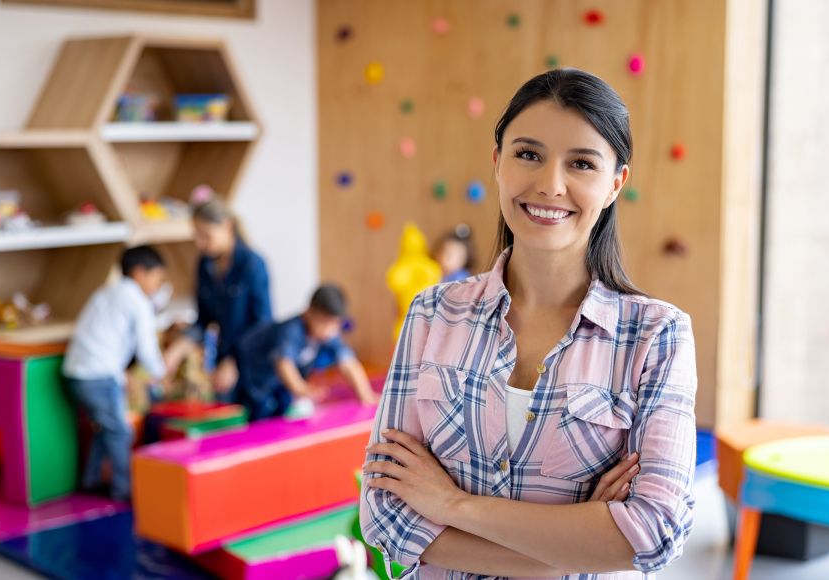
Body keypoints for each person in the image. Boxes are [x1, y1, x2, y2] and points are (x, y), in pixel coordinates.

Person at [361, 68, 697, 579]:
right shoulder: (432, 313)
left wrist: (451, 505)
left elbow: (654, 532)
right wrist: (576, 546)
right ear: (497, 162)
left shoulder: (657, 336)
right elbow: (385, 518)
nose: (550, 185)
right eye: (528, 154)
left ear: (615, 184)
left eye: (581, 163)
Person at [63, 245, 169, 502]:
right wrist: (161, 374)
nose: (158, 284)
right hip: (98, 375)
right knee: (121, 432)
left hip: (76, 373)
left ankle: (91, 479)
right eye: (158, 277)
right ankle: (125, 491)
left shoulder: (106, 292)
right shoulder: (137, 300)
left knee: (106, 428)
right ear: (140, 273)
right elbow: (146, 346)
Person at [165, 198, 273, 398]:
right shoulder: (204, 265)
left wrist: (234, 362)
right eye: (196, 236)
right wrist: (178, 349)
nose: (200, 243)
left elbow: (263, 324)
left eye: (206, 235)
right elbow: (204, 321)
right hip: (221, 361)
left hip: (251, 363)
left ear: (227, 226)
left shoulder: (252, 264)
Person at [234, 284, 379, 420]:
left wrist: (365, 395)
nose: (329, 330)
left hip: (278, 380)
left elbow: (348, 363)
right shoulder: (292, 331)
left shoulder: (329, 335)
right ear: (308, 313)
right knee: (260, 409)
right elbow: (284, 364)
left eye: (335, 324)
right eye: (324, 322)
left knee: (283, 406)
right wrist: (303, 389)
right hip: (253, 368)